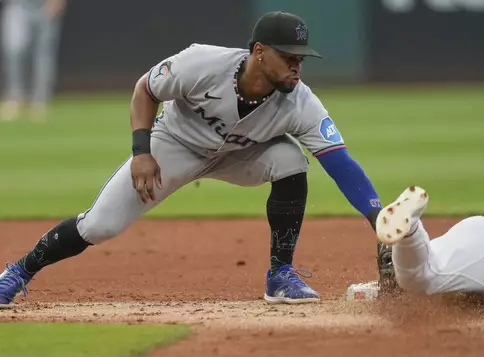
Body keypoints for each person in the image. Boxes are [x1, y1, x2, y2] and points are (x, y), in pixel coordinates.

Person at [0, 11, 392, 307]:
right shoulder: (202, 63)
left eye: (301, 59)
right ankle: (17, 272)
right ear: (258, 52)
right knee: (99, 226)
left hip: (241, 155)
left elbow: (341, 164)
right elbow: (145, 90)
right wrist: (142, 152)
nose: (297, 66)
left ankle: (280, 274)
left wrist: (379, 218)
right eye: (288, 56)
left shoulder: (302, 103)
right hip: (175, 145)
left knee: (290, 159)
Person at [1, 0, 68, 122]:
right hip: (17, 5)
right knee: (14, 52)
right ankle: (15, 99)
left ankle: (40, 100)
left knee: (44, 55)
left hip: (44, 5)